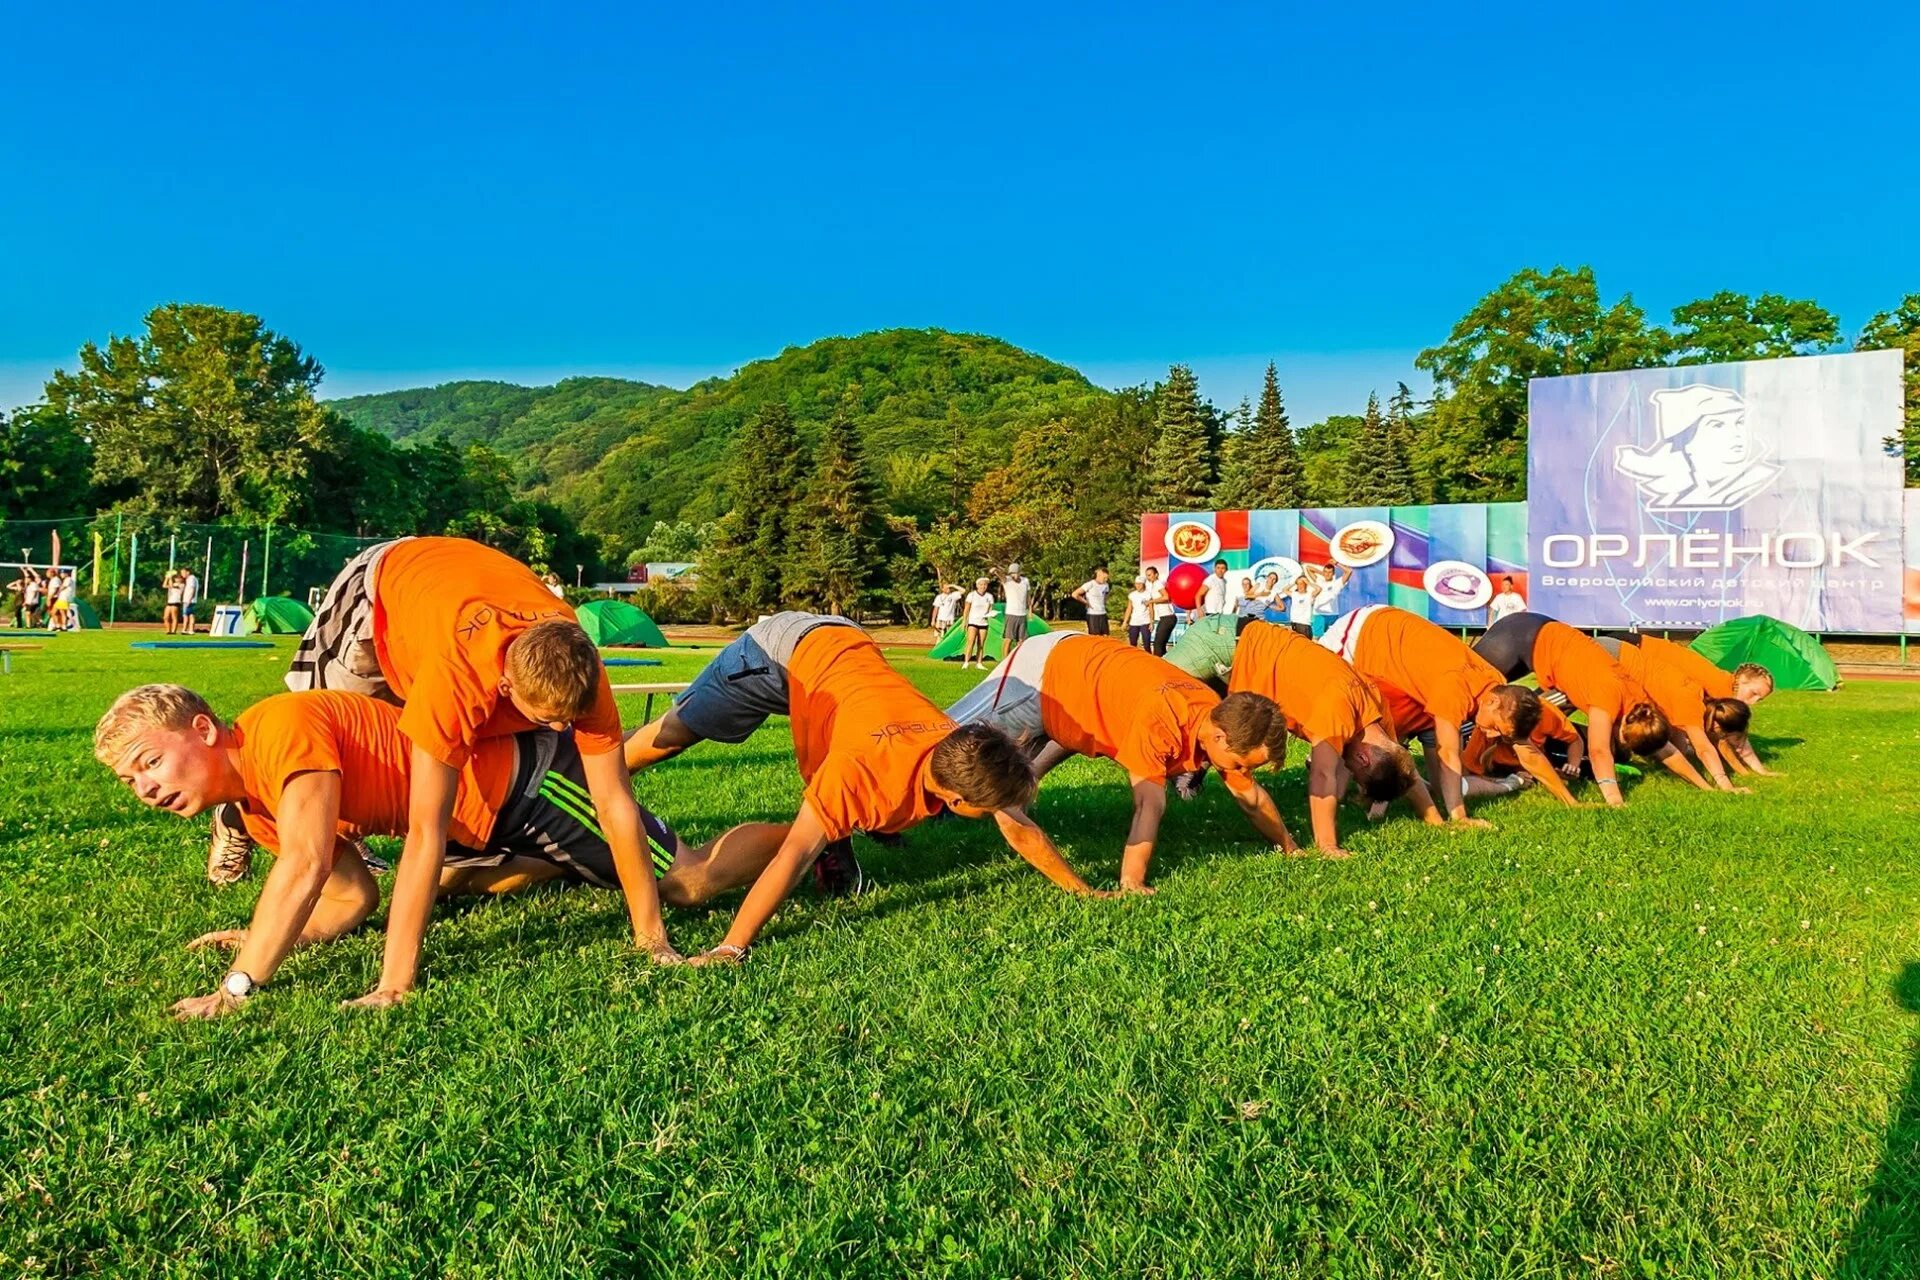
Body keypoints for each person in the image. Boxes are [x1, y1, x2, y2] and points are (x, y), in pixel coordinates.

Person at [92, 684, 779, 1019]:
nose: (144, 789)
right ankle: (556, 863)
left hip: (528, 788)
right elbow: (348, 895)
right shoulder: (258, 807)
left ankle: (814, 835)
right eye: (129, 782)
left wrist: (237, 987)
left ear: (205, 730)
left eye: (149, 762)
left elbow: (303, 866)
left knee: (690, 883)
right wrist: (271, 936)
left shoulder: (279, 731)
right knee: (464, 884)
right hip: (470, 826)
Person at [283, 535, 679, 1005]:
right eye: (545, 719)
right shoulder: (456, 679)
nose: (558, 729)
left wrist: (652, 938)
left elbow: (615, 804)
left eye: (566, 721)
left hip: (469, 587)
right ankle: (248, 826)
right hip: (382, 584)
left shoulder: (583, 672)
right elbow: (423, 830)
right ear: (505, 686)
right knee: (320, 742)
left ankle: (465, 856)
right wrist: (395, 984)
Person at [618, 613, 1109, 962]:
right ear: (956, 801)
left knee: (825, 821)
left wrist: (1082, 892)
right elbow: (791, 857)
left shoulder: (956, 744)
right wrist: (731, 947)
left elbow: (1018, 828)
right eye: (994, 810)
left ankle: (840, 837)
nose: (1005, 815)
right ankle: (600, 770)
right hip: (780, 650)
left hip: (849, 644)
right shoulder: (858, 773)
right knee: (673, 737)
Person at [947, 632, 1297, 890]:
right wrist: (1132, 880)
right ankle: (892, 823)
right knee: (944, 744)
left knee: (997, 781)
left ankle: (955, 808)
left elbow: (1251, 799)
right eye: (1241, 764)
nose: (1242, 773)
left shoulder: (1214, 714)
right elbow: (1149, 805)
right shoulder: (1161, 719)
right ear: (1220, 736)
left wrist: (1289, 846)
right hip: (1046, 668)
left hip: (1082, 682)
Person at [1320, 605, 1582, 824]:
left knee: (1403, 738)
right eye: (1496, 729)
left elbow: (1525, 749)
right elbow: (1449, 752)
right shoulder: (1455, 688)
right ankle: (1331, 790)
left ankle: (1392, 802)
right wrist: (1460, 817)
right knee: (1348, 725)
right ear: (1492, 702)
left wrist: (1570, 802)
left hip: (1401, 666)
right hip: (1361, 634)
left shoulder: (1495, 683)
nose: (1491, 735)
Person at [1226, 619, 1435, 855]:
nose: (1347, 769)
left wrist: (1433, 818)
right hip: (1229, 645)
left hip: (1247, 651)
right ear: (1364, 759)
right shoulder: (1340, 710)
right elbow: (1323, 774)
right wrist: (1327, 846)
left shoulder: (1377, 710)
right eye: (1357, 775)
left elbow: (1402, 765)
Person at [1474, 612, 1710, 806]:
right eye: (1624, 743)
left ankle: (1479, 758)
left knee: (1519, 716)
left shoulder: (1641, 707)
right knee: (1472, 693)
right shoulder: (1606, 698)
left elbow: (1663, 748)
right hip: (1521, 636)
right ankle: (1451, 766)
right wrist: (1615, 800)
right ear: (1622, 730)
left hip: (1546, 635)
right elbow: (1598, 751)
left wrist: (1707, 787)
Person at [1598, 637, 1750, 792]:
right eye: (1721, 735)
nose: (1718, 739)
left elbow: (1677, 747)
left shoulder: (1693, 695)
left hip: (1618, 651)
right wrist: (1725, 784)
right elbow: (1703, 749)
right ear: (1715, 724)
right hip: (1609, 654)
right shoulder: (1690, 704)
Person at [1632, 634, 1776, 774]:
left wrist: (1759, 770)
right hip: (1637, 649)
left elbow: (1737, 737)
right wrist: (1744, 772)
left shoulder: (1726, 684)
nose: (1752, 702)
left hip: (1645, 649)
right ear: (1742, 679)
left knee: (1678, 747)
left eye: (1759, 699)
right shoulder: (1723, 692)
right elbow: (1724, 741)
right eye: (1754, 693)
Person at [1309, 563, 1353, 639]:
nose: (1327, 574)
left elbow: (1348, 571)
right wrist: (1322, 573)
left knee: (1331, 638)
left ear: (1333, 573)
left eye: (1330, 572)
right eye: (1325, 572)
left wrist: (1337, 563)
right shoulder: (1319, 581)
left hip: (1333, 614)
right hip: (1319, 614)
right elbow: (1308, 568)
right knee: (1316, 637)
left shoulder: (1337, 583)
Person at [961, 577, 995, 669]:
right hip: (973, 622)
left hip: (983, 623)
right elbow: (966, 609)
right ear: (977, 585)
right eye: (981, 584)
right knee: (971, 642)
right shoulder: (971, 595)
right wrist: (965, 621)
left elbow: (990, 609)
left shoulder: (989, 596)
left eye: (985, 584)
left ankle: (979, 663)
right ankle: (966, 662)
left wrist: (991, 615)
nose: (983, 586)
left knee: (981, 644)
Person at [1144, 565, 1177, 656]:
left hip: (1168, 617)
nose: (1148, 577)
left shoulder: (1158, 584)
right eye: (1147, 575)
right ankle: (1166, 665)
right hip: (1165, 618)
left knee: (1158, 645)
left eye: (1150, 575)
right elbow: (1151, 606)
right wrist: (1151, 621)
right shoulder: (1153, 586)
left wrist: (1151, 601)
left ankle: (1160, 666)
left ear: (1156, 575)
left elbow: (1166, 597)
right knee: (1160, 645)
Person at [1071, 567, 1112, 637]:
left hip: (1102, 613)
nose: (1106, 580)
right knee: (1095, 636)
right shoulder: (1090, 584)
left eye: (1107, 578)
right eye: (1104, 578)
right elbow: (1075, 594)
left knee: (1105, 635)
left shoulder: (1106, 585)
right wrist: (1086, 602)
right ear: (1098, 575)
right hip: (1093, 614)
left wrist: (1104, 602)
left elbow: (1106, 594)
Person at [1000, 563, 1032, 648]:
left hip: (1022, 614)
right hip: (1011, 614)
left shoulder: (1025, 581)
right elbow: (1001, 576)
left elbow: (1028, 597)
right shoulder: (1007, 580)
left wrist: (1030, 611)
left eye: (1015, 573)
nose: (1014, 575)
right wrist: (996, 571)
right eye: (1012, 573)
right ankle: (1006, 660)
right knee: (1008, 639)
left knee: (1022, 640)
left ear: (1019, 572)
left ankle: (1018, 659)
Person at [1285, 572, 1317, 638]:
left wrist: (1308, 582)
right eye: (1298, 584)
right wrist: (1294, 582)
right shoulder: (1294, 594)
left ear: (1306, 584)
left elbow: (1319, 589)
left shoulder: (1309, 595)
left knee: (1305, 645)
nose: (1299, 586)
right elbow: (1284, 590)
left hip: (1304, 625)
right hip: (1294, 624)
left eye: (1302, 584)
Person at [1124, 578, 1152, 650]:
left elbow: (1151, 609)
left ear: (1143, 584)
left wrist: (1152, 622)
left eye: (1140, 584)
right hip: (1134, 622)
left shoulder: (1148, 594)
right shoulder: (1132, 595)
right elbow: (1129, 609)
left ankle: (1148, 659)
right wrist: (1125, 622)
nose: (1138, 585)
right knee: (1132, 644)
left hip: (1145, 622)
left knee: (1147, 644)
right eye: (1136, 584)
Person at [20, 566, 43, 631]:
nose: (25, 580)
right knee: (32, 614)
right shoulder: (29, 585)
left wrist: (31, 569)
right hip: (29, 601)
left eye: (27, 579)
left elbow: (34, 593)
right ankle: (38, 623)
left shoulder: (33, 584)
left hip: (31, 602)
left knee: (28, 613)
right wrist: (24, 570)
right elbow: (26, 576)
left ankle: (29, 626)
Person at [163, 570, 184, 635]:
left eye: (179, 578)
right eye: (176, 578)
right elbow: (164, 586)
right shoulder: (174, 584)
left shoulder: (182, 585)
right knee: (165, 617)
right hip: (169, 602)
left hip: (176, 602)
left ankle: (173, 631)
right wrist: (167, 578)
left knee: (174, 617)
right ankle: (168, 630)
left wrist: (170, 578)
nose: (177, 579)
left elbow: (171, 586)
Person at [180, 568, 199, 635]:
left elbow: (192, 589)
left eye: (183, 573)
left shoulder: (191, 578)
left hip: (189, 600)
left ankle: (186, 629)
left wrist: (189, 599)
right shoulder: (189, 579)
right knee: (190, 614)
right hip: (189, 600)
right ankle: (190, 629)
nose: (182, 575)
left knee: (186, 615)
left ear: (188, 572)